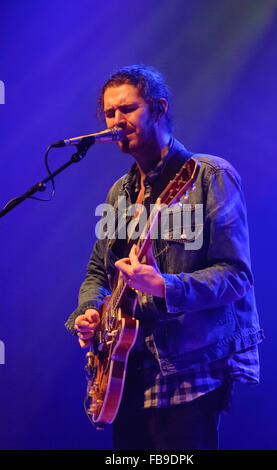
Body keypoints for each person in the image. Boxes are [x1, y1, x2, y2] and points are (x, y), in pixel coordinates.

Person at [65, 64, 264, 450]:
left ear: (158, 108)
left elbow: (237, 275)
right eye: (109, 113)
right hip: (127, 373)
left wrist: (165, 286)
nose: (117, 121)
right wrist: (91, 310)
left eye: (128, 109)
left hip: (190, 369)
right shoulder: (118, 194)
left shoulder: (209, 176)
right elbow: (96, 272)